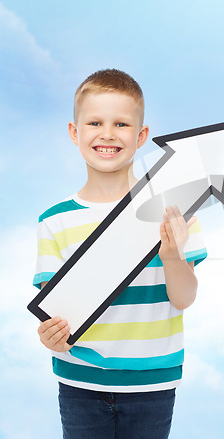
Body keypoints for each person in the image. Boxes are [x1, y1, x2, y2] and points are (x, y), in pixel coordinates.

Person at [33, 69, 207, 438]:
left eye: (122, 124)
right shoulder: (55, 221)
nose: (108, 133)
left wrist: (173, 256)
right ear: (74, 132)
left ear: (141, 136)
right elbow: (55, 313)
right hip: (79, 381)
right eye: (95, 122)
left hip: (152, 383)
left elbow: (184, 297)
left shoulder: (174, 208)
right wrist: (51, 335)